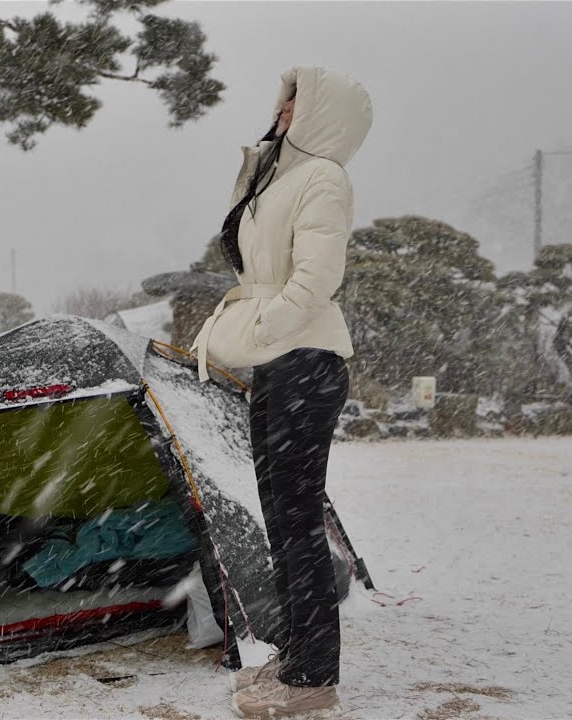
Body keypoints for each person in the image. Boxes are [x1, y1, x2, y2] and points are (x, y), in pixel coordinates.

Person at [189, 66, 373, 719]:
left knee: (295, 523)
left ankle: (315, 676)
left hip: (306, 359)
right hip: (280, 362)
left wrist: (262, 326)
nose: (285, 112)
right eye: (283, 101)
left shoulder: (325, 178)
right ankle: (296, 655)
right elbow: (254, 260)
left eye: (297, 103)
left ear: (322, 113)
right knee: (281, 521)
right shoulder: (279, 178)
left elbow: (316, 277)